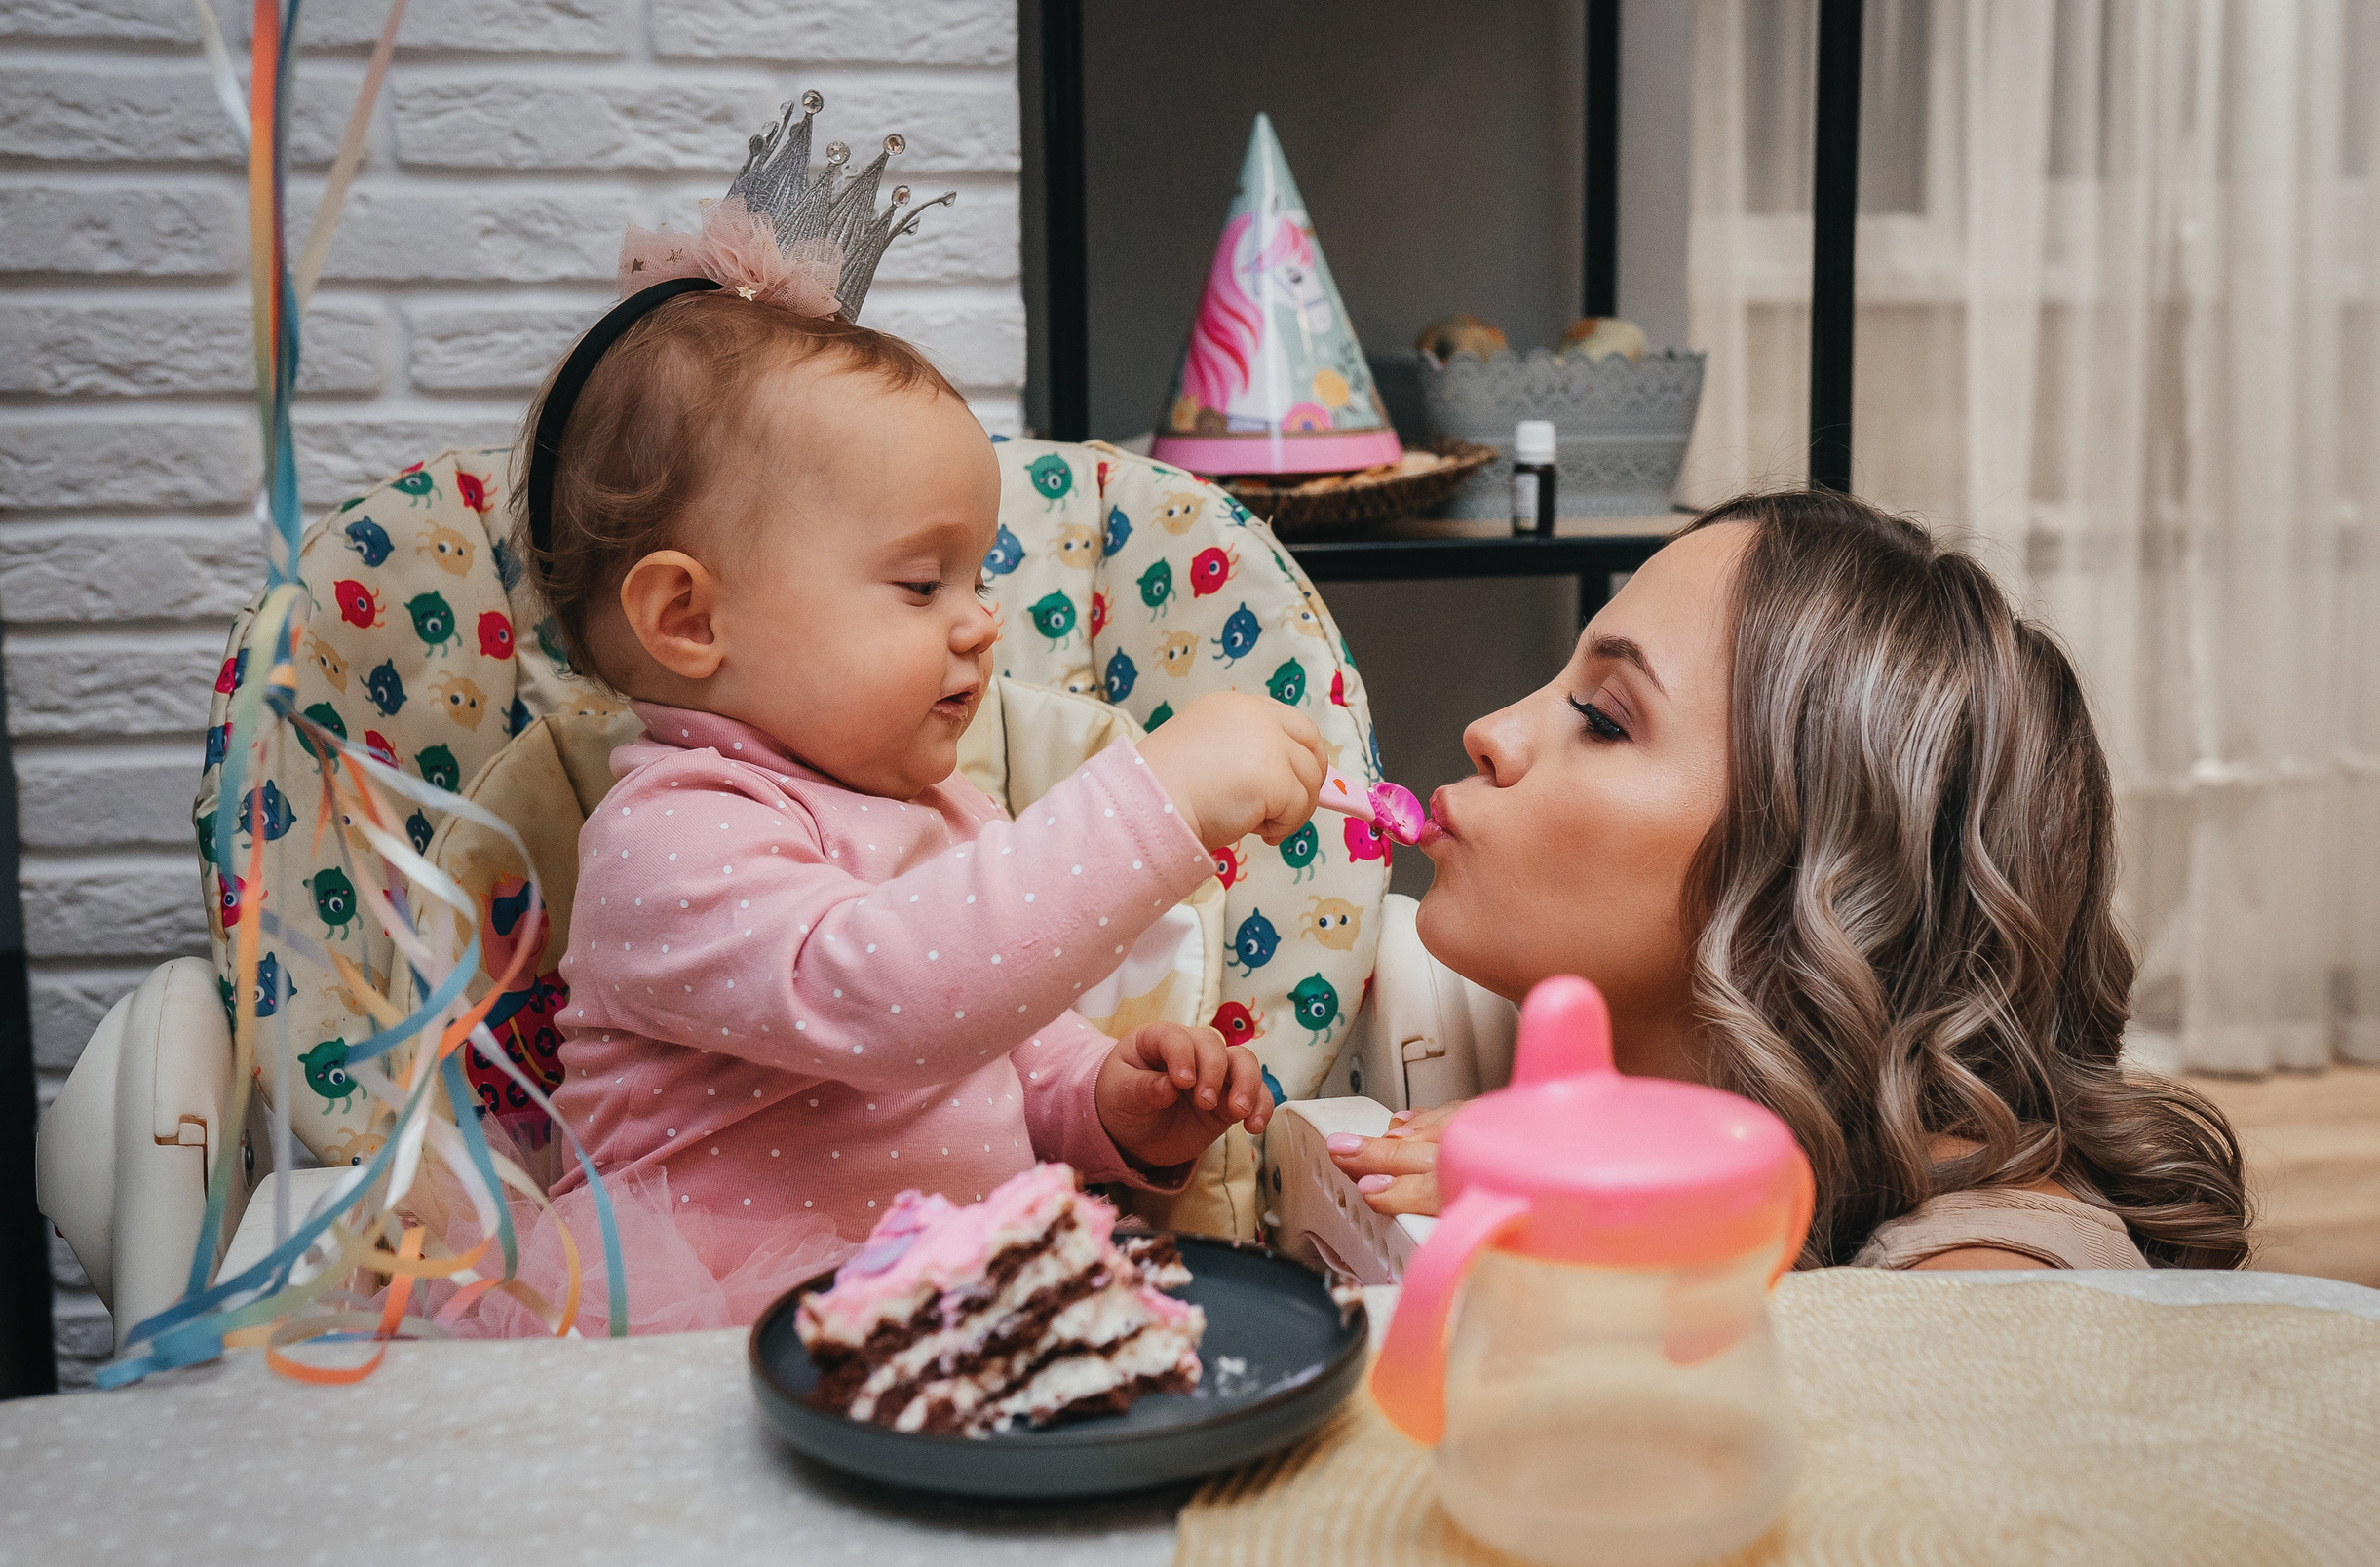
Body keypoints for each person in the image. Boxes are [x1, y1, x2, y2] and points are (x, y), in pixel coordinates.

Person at [464, 274, 1326, 1333]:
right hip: (723, 1325)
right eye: (923, 584)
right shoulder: (667, 833)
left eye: (978, 580)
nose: (981, 623)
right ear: (688, 618)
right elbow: (885, 999)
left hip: (946, 1309)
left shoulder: (948, 811)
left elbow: (1002, 1052)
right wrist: (1164, 797)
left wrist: (1111, 1103)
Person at [1327, 491, 2248, 1271]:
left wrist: (1615, 1228)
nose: (1489, 731)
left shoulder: (1993, 1264)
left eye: (1603, 719)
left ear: (1823, 888)